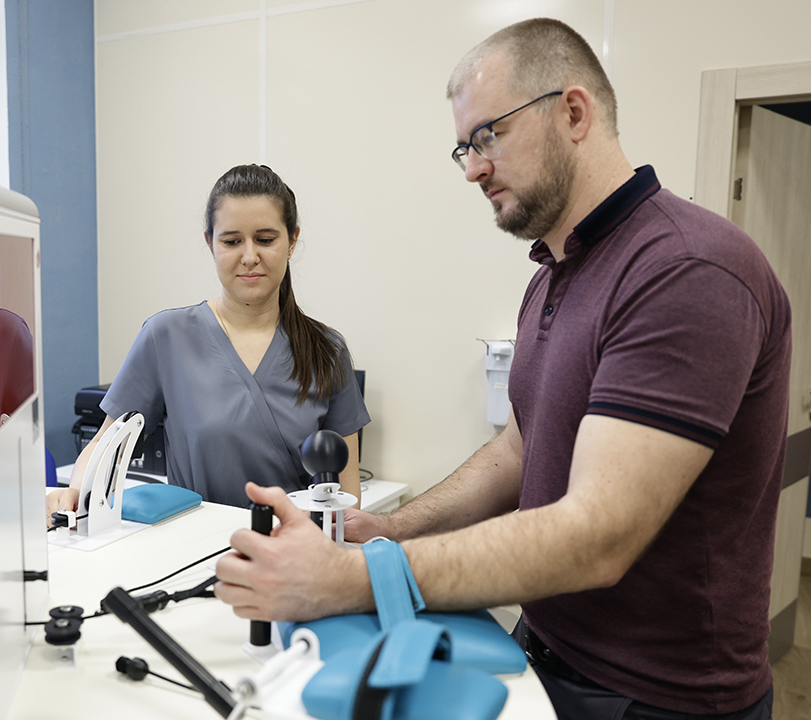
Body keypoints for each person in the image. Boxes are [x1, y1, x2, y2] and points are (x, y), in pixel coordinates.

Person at [214, 19, 790, 720]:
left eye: (489, 135)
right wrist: (392, 531)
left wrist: (359, 576)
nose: (473, 169)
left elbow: (598, 536)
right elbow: (519, 449)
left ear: (573, 112)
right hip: (544, 653)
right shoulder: (552, 275)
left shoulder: (685, 270)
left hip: (657, 697)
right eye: (464, 147)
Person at [47, 164, 370, 516]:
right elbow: (106, 444)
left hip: (292, 545)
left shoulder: (326, 351)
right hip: (194, 546)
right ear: (210, 243)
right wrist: (76, 492)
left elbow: (346, 499)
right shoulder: (166, 337)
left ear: (292, 240)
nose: (250, 257)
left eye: (265, 240)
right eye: (231, 241)